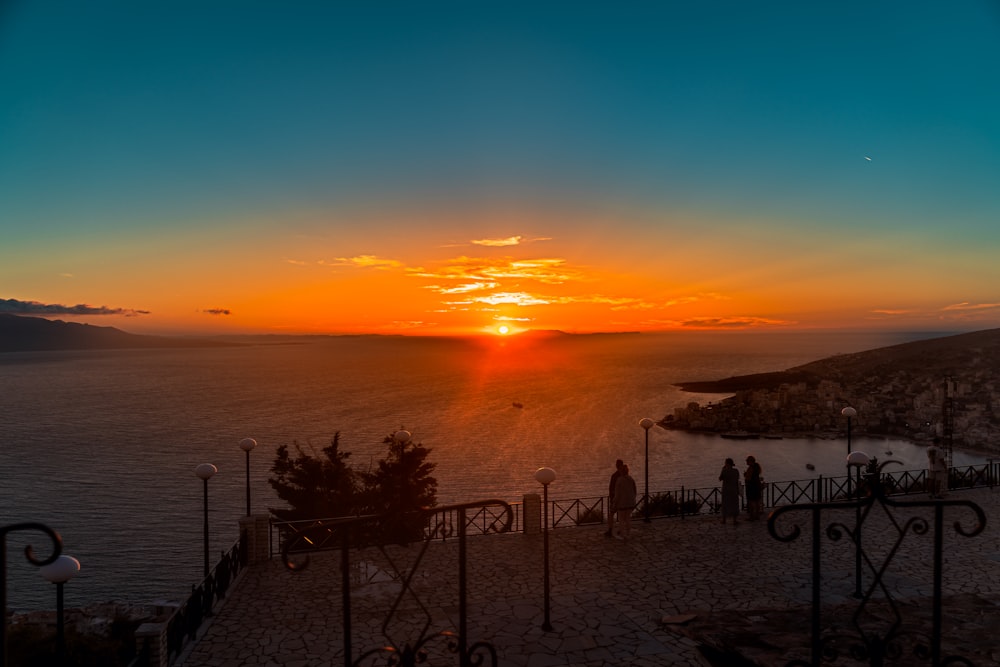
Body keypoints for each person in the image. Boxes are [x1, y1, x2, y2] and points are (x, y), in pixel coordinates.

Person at [613, 463, 637, 540]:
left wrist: (614, 503)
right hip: (630, 502)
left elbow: (617, 494)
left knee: (621, 519)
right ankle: (628, 534)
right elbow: (635, 490)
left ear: (621, 472)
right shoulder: (631, 479)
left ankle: (623, 535)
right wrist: (633, 499)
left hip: (622, 503)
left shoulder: (619, 480)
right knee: (627, 519)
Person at [605, 459, 624, 538]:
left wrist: (611, 499)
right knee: (621, 515)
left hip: (615, 499)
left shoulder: (614, 476)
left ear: (616, 465)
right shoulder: (625, 475)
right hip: (623, 499)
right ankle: (620, 529)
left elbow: (611, 488)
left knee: (611, 514)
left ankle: (610, 529)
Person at [719, 458, 740, 525]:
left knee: (725, 504)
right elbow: (737, 480)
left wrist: (722, 469)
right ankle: (734, 520)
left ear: (727, 463)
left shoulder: (724, 471)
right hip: (734, 490)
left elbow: (720, 478)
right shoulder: (736, 471)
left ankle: (724, 520)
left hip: (726, 490)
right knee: (734, 504)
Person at [744, 455, 764, 521]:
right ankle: (757, 516)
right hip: (757, 486)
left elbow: (748, 478)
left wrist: (745, 475)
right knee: (757, 502)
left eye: (747, 460)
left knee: (751, 502)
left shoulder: (751, 468)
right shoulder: (756, 467)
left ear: (750, 461)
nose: (746, 461)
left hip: (751, 487)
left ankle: (752, 517)